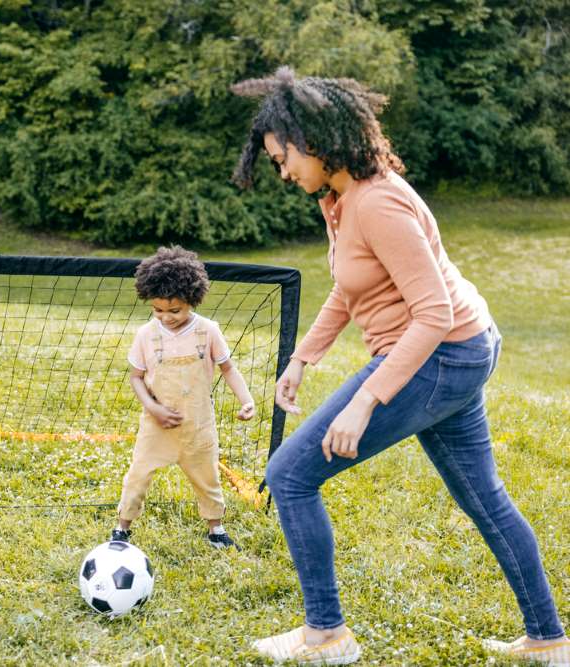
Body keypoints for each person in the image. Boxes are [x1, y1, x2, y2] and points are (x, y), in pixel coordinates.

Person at [230, 67, 568, 665]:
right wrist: (305, 356)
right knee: (484, 498)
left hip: (442, 353)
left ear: (314, 139)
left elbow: (432, 314)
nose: (282, 172)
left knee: (288, 476)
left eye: (283, 158)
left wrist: (365, 401)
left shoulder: (378, 202)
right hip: (455, 354)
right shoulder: (341, 197)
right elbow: (351, 285)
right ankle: (549, 641)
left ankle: (325, 635)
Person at [113, 246, 256, 549]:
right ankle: (122, 529)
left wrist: (246, 400)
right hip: (157, 426)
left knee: (208, 479)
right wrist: (153, 408)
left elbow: (228, 369)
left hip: (197, 425)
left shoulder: (208, 331)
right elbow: (136, 378)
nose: (166, 317)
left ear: (192, 300)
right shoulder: (145, 335)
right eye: (158, 310)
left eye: (174, 310)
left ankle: (216, 530)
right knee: (137, 475)